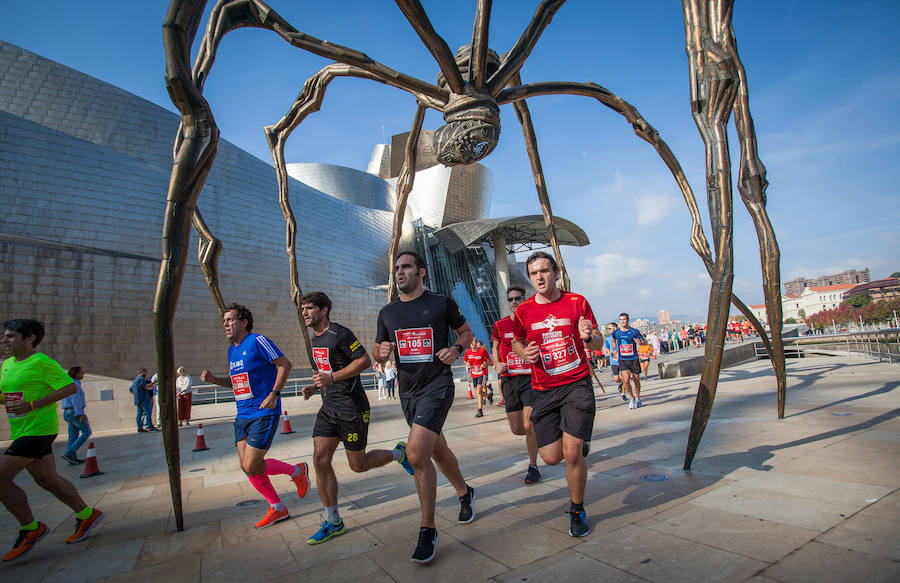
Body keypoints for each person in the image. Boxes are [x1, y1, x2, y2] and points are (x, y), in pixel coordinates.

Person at [374, 250, 475, 564]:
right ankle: (464, 492)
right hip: (408, 392)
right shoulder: (387, 312)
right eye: (397, 269)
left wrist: (456, 349)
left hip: (437, 385)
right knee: (436, 450)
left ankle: (428, 529)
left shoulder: (440, 303)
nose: (399, 272)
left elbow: (467, 333)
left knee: (416, 454)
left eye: (406, 267)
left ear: (422, 272)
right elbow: (377, 352)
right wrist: (382, 350)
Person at [300, 292, 413, 545]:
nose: (305, 312)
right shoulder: (315, 339)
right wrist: (317, 386)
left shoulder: (340, 334)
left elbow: (363, 360)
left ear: (325, 310)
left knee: (358, 465)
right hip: (329, 407)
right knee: (320, 460)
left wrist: (332, 379)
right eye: (303, 308)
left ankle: (399, 454)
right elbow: (326, 371)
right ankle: (334, 521)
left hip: (352, 408)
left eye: (309, 308)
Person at [511, 251, 601, 538]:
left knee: (572, 453)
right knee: (551, 457)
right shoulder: (523, 311)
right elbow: (516, 341)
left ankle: (577, 510)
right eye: (534, 273)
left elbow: (597, 342)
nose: (539, 277)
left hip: (576, 383)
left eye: (544, 271)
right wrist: (525, 353)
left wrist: (588, 336)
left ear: (556, 273)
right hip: (543, 390)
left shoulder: (577, 302)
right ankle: (576, 438)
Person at [0, 319, 104, 561]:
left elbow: (69, 388)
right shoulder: (8, 365)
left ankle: (30, 528)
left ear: (30, 339)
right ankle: (86, 513)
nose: (5, 340)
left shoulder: (42, 362)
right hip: (20, 429)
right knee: (48, 480)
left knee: (1, 479)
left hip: (37, 430)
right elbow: (8, 396)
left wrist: (33, 404)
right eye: (5, 336)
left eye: (11, 336)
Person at [200, 303, 310, 529]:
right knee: (247, 466)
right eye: (224, 321)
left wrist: (274, 394)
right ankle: (278, 508)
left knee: (252, 464)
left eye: (230, 320)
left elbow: (284, 364)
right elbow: (235, 383)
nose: (226, 325)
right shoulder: (232, 350)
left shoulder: (258, 341)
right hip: (242, 415)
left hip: (263, 411)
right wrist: (213, 380)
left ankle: (297, 472)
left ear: (244, 321)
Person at [491, 285, 540, 484]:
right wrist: (496, 362)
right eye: (511, 299)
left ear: (524, 299)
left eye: (518, 298)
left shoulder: (533, 321)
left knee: (529, 425)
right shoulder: (500, 324)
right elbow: (494, 346)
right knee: (517, 428)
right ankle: (540, 433)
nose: (514, 302)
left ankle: (533, 466)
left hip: (530, 378)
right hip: (509, 380)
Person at [611, 313, 644, 409]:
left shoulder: (634, 331)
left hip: (634, 358)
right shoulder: (616, 332)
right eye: (621, 319)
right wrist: (615, 349)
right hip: (623, 359)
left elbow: (643, 341)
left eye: (624, 319)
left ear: (628, 320)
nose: (622, 321)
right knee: (625, 380)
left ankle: (638, 398)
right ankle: (632, 398)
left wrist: (640, 342)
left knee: (636, 380)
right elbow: (613, 340)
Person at [60, 366, 91, 464]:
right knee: (86, 432)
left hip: (68, 412)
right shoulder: (75, 385)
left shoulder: (69, 384)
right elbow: (75, 400)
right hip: (74, 412)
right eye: (81, 372)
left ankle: (72, 457)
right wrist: (80, 413)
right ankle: (69, 452)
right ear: (76, 373)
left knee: (73, 434)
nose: (83, 374)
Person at [463, 339, 492, 418]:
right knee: (477, 393)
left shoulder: (482, 351)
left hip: (481, 373)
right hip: (473, 374)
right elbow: (465, 361)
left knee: (479, 392)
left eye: (474, 341)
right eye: (471, 342)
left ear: (477, 343)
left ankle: (480, 411)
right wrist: (467, 363)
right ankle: (488, 395)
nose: (472, 343)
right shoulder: (467, 352)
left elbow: (490, 361)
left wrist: (486, 363)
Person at [603, 323, 626, 402]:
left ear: (615, 328)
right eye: (608, 329)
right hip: (613, 361)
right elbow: (607, 348)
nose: (609, 330)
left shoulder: (621, 336)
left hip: (622, 360)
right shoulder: (608, 339)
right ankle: (620, 383)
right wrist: (609, 351)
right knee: (616, 378)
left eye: (610, 328)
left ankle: (623, 392)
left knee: (625, 377)